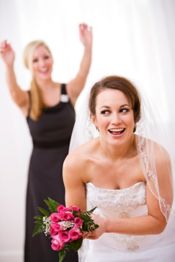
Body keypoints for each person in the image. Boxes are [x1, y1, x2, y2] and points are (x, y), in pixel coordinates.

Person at [0, 23, 92, 262]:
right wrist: (8, 64)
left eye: (46, 57)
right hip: (41, 171)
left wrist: (88, 46)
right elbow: (11, 89)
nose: (42, 63)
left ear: (52, 59)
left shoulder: (67, 91)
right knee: (46, 224)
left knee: (73, 220)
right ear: (29, 66)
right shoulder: (26, 99)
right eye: (35, 60)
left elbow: (83, 73)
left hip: (70, 167)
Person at [63, 75, 175, 262]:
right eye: (105, 112)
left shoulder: (156, 157)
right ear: (94, 119)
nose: (116, 120)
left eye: (123, 110)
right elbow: (76, 221)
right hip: (105, 251)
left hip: (157, 246)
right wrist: (65, 229)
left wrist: (107, 224)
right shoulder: (76, 164)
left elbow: (158, 222)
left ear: (135, 115)